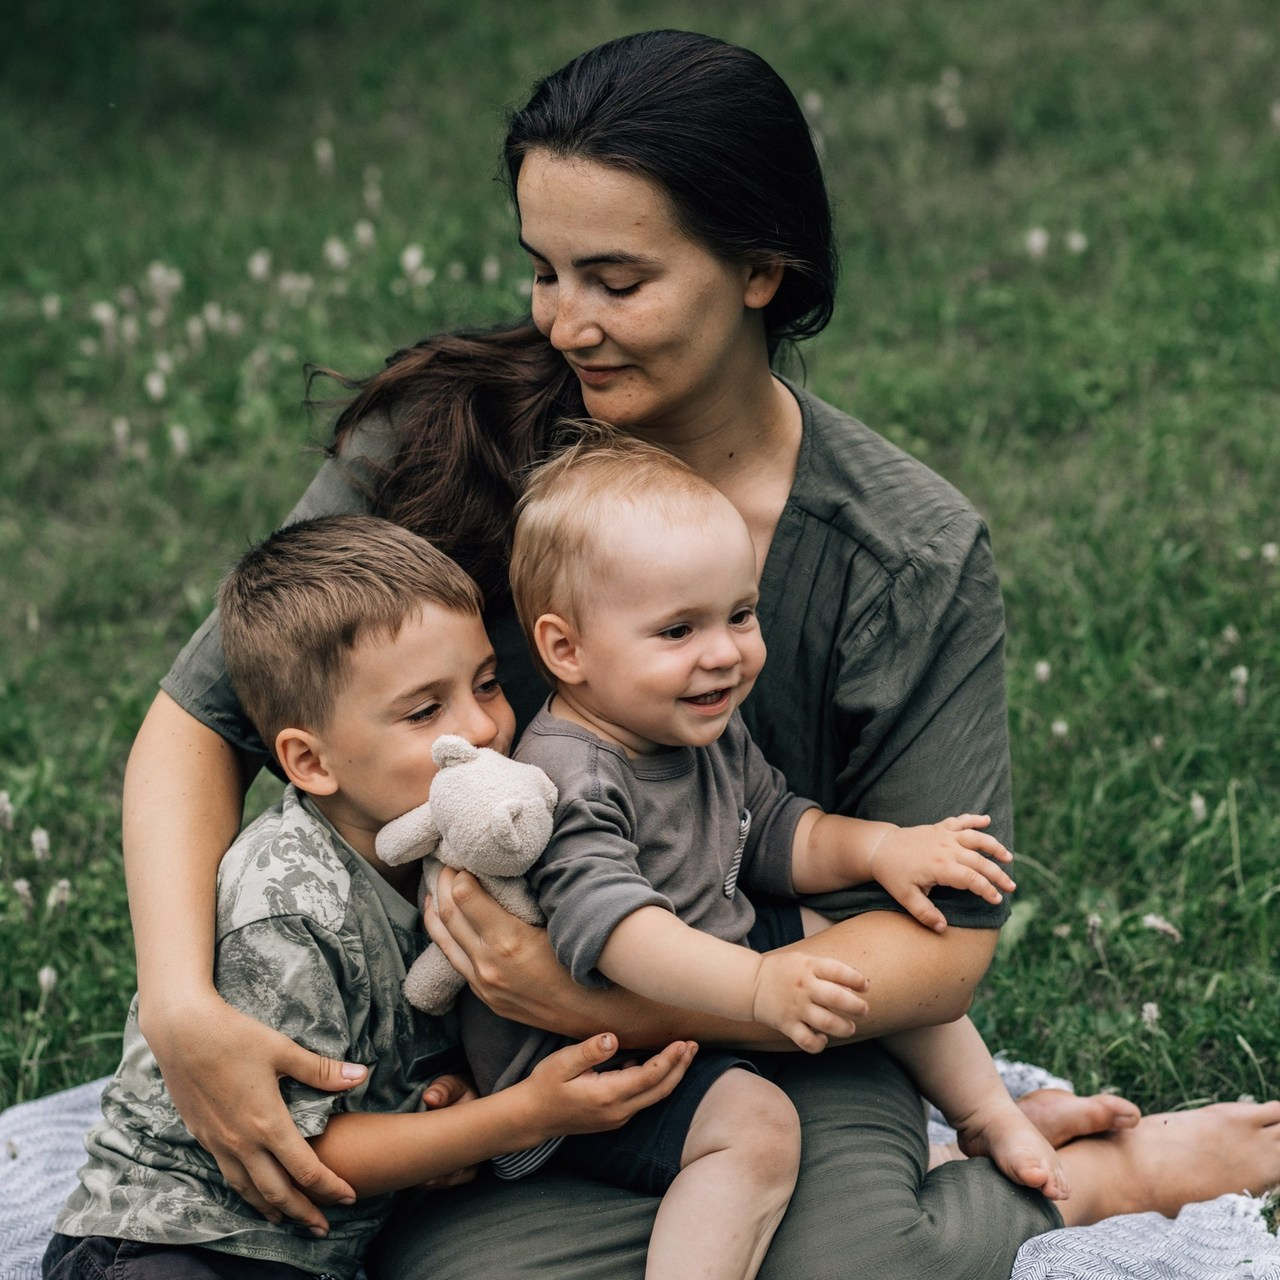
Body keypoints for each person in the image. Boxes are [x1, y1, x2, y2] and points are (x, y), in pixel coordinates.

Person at [122, 28, 1280, 1280]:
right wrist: (185, 1005)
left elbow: (941, 938)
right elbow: (203, 720)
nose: (565, 322)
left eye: (616, 280)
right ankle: (897, 1179)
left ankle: (1082, 1180)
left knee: (842, 1263)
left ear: (760, 269)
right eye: (542, 270)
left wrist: (597, 996)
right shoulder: (446, 438)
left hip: (785, 1028)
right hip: (511, 1072)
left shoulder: (904, 550)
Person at [454, 431, 1070, 1280]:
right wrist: (756, 988)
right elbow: (618, 930)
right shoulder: (567, 773)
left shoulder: (696, 726)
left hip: (717, 959)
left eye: (739, 615)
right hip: (593, 1065)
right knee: (757, 1130)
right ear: (566, 650)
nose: (723, 652)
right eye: (677, 629)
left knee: (852, 947)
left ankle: (985, 1110)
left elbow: (775, 829)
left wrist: (880, 848)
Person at [47, 516, 692, 1280]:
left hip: (313, 1253)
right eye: (425, 712)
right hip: (177, 1241)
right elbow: (300, 1147)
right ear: (311, 762)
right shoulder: (289, 907)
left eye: (487, 684)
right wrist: (519, 1116)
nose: (482, 727)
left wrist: (439, 1108)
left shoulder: (460, 848)